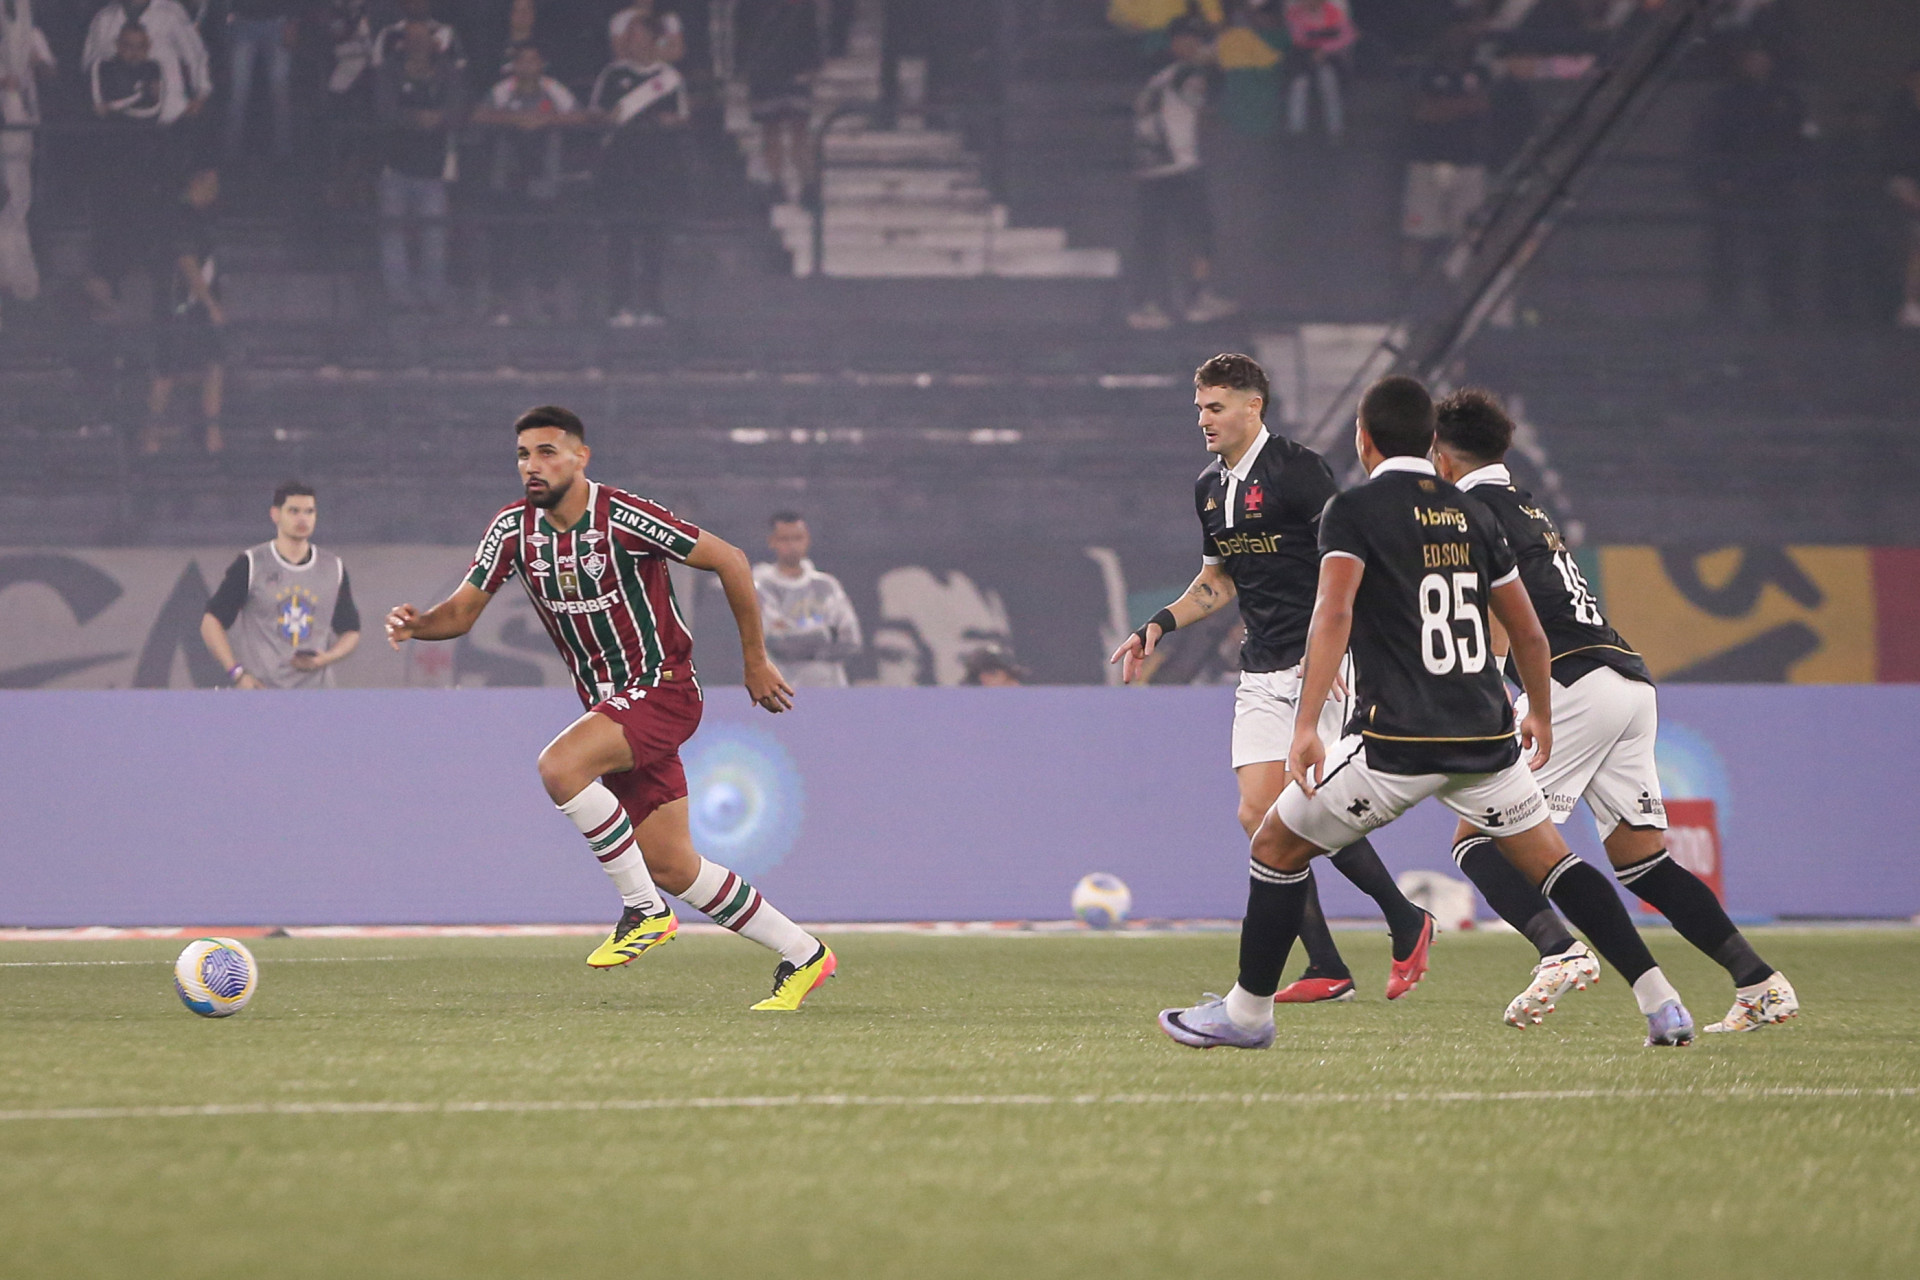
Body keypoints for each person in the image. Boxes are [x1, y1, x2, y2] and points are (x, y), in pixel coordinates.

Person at [1157, 375, 1698, 1050]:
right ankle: (1662, 1003)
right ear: (1432, 444)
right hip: (1487, 738)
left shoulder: (1354, 511)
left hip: (1398, 740)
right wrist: (1541, 717)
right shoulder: (1474, 514)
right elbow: (1528, 632)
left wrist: (1304, 727)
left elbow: (1332, 614)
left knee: (1272, 843)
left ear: (1365, 441)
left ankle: (1246, 1015)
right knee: (1555, 863)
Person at [383, 405, 837, 1011]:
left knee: (560, 767)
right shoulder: (513, 530)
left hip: (665, 688)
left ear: (580, 457)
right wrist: (419, 627)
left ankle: (643, 910)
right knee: (675, 865)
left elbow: (728, 558)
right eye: (523, 455)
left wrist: (754, 660)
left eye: (547, 452)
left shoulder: (623, 517)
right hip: (613, 707)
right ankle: (804, 953)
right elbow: (461, 614)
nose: (532, 466)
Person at [1425, 388, 1798, 1034]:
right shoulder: (1523, 504)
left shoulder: (1469, 512)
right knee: (1642, 859)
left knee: (1478, 840)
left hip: (1569, 685)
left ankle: (1557, 951)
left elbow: (1495, 624)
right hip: (1626, 680)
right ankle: (1757, 983)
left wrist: (1477, 702)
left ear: (1442, 456)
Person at [1113, 353, 1436, 1005]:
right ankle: (1334, 962)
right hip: (1260, 667)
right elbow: (1218, 580)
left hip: (1320, 664)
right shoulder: (1209, 487)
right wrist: (1159, 625)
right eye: (1199, 408)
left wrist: (1355, 649)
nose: (1203, 420)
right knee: (1260, 818)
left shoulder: (1299, 470)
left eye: (1215, 406)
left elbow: (1351, 562)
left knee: (1303, 815)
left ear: (1252, 405)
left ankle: (1401, 924)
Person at [1126, 21, 1238, 330]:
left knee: (1153, 240)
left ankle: (1143, 305)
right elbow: (1203, 104)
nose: (1194, 47)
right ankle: (1196, 299)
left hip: (1151, 170)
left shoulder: (1159, 79)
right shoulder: (1187, 74)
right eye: (1189, 41)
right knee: (1200, 235)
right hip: (1179, 168)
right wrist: (1215, 68)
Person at [201, 481, 363, 689]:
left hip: (318, 697)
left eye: (309, 512)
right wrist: (237, 673)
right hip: (262, 694)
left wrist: (325, 658)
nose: (302, 518)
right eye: (294, 511)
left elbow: (351, 630)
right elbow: (211, 622)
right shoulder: (251, 564)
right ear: (275, 514)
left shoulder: (333, 568)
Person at [1695, 44, 1807, 325]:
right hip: (1737, 185)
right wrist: (1720, 178)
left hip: (1776, 186)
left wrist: (1795, 177)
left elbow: (1799, 140)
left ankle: (1782, 311)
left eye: (1762, 59)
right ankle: (1725, 311)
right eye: (1751, 60)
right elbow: (1711, 140)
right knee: (1728, 251)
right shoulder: (1726, 99)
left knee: (1780, 251)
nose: (1757, 65)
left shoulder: (1786, 97)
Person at [588, 13, 687, 328]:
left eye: (642, 36)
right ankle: (619, 306)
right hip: (619, 169)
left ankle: (652, 306)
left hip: (657, 171)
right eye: (632, 37)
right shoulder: (612, 75)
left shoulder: (670, 78)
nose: (636, 42)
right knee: (621, 237)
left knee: (653, 238)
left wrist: (668, 124)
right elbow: (596, 116)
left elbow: (682, 118)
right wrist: (611, 118)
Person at [472, 43, 580, 326]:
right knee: (504, 241)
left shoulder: (554, 89)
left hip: (544, 179)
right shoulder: (502, 90)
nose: (528, 66)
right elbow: (477, 115)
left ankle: (548, 304)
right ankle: (500, 305)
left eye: (534, 60)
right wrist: (514, 119)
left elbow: (581, 116)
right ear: (515, 65)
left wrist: (546, 120)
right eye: (523, 61)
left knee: (545, 240)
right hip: (507, 177)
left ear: (541, 63)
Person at [84, 22, 176, 324]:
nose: (132, 53)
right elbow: (100, 107)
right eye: (126, 45)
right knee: (108, 222)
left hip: (144, 161)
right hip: (107, 161)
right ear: (117, 45)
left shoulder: (154, 68)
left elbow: (156, 109)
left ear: (147, 47)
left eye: (138, 46)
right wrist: (138, 96)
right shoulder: (103, 66)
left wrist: (124, 103)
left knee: (142, 218)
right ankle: (107, 285)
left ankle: (136, 284)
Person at [373, 13, 465, 310]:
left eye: (422, 39)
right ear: (403, 42)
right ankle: (399, 298)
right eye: (411, 39)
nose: (417, 44)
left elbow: (459, 107)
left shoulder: (447, 71)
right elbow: (384, 110)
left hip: (433, 168)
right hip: (394, 165)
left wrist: (438, 119)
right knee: (393, 235)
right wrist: (416, 118)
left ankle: (433, 296)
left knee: (434, 235)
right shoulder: (389, 70)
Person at [145, 167, 226, 455]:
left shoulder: (204, 218)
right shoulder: (182, 216)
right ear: (197, 182)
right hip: (179, 304)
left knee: (214, 363)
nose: (216, 192)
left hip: (200, 306)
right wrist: (210, 304)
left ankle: (212, 436)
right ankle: (151, 438)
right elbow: (188, 263)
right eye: (211, 184)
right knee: (166, 369)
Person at [1401, 22, 1491, 278]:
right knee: (1416, 234)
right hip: (1426, 163)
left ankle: (1459, 296)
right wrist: (1462, 106)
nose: (1460, 37)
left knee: (1469, 237)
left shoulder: (1481, 72)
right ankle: (1408, 296)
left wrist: (1444, 108)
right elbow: (1421, 111)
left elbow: (1484, 105)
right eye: (1455, 30)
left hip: (1469, 164)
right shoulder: (1426, 72)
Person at [753, 510, 862, 687]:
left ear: (807, 540)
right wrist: (823, 633)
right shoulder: (762, 588)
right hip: (781, 690)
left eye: (797, 538)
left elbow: (850, 639)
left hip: (829, 688)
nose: (792, 545)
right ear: (772, 542)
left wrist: (796, 633)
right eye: (784, 539)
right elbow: (774, 641)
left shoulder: (827, 586)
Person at [735, 0, 819, 204]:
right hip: (767, 71)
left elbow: (811, 33)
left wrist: (811, 64)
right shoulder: (749, 6)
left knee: (798, 130)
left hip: (793, 68)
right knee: (772, 130)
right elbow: (743, 35)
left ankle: (807, 184)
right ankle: (778, 183)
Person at [0, 0, 53, 316]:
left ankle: (15, 281)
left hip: (19, 123)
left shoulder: (26, 22)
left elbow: (47, 67)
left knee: (18, 201)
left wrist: (36, 64)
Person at [83, 0, 212, 125]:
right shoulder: (105, 18)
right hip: (117, 115)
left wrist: (201, 94)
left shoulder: (170, 13)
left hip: (167, 114)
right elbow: (91, 64)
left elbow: (195, 54)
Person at [223, 0, 294, 159]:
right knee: (238, 92)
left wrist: (292, 20)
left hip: (277, 22)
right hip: (243, 22)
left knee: (280, 89)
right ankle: (230, 153)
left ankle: (284, 151)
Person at [1282, 0, 1356, 142]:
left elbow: (1348, 35)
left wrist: (1324, 49)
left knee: (1329, 84)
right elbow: (1297, 37)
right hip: (1304, 57)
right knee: (1299, 86)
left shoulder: (1333, 12)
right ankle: (1296, 130)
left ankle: (1336, 130)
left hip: (1329, 57)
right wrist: (1321, 40)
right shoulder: (1295, 13)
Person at [1886, 61, 1920, 328]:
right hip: (1907, 191)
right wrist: (1904, 189)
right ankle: (1911, 303)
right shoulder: (1900, 119)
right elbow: (1893, 164)